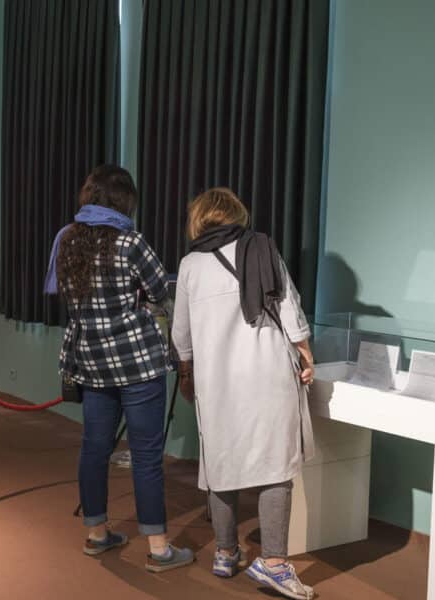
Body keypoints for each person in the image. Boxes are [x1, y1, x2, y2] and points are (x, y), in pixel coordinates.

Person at [45, 164, 195, 571]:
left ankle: (97, 535)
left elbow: (66, 295)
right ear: (124, 200)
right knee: (146, 456)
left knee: (94, 448)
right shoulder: (131, 241)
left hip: (91, 363)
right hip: (137, 362)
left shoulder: (67, 240)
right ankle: (160, 549)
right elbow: (161, 291)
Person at [171, 187, 315, 600]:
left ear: (199, 219)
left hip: (217, 384)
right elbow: (290, 307)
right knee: (275, 466)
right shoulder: (262, 248)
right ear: (237, 215)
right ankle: (273, 564)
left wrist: (186, 373)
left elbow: (181, 332)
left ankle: (225, 551)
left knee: (221, 462)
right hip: (267, 376)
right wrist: (306, 354)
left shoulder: (191, 266)